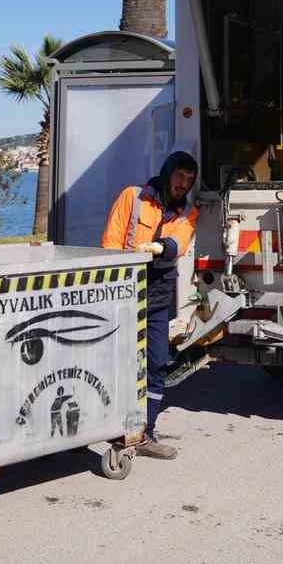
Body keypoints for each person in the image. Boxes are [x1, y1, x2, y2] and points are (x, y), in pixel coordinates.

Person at [101, 150, 199, 460]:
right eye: (180, 176)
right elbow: (110, 244)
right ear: (168, 172)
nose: (184, 184)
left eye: (190, 179)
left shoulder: (188, 212)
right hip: (123, 292)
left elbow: (179, 243)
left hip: (157, 296)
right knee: (119, 363)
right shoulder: (132, 197)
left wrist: (159, 247)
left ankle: (146, 432)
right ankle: (108, 427)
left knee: (156, 363)